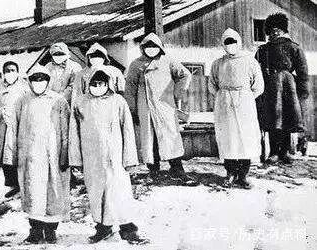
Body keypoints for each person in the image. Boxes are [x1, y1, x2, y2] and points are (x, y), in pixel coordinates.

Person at [70, 68, 143, 244]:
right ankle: (103, 228)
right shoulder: (81, 103)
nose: (97, 87)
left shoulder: (118, 101)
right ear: (88, 84)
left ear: (108, 84)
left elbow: (127, 130)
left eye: (101, 83)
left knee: (119, 193)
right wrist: (76, 160)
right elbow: (74, 133)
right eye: (94, 84)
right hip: (92, 158)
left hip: (114, 157)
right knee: (96, 194)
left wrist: (129, 159)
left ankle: (128, 229)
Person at [4, 65, 70, 244]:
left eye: (42, 79)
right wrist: (12, 156)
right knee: (33, 193)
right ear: (29, 81)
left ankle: (51, 230)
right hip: (30, 156)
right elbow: (13, 129)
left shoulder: (59, 101)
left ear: (48, 81)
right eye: (35, 79)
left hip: (53, 155)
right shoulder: (22, 101)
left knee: (54, 192)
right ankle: (35, 230)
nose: (38, 83)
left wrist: (65, 155)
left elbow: (66, 130)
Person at [125, 33, 198, 186]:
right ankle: (153, 171)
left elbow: (185, 75)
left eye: (154, 46)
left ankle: (177, 169)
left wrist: (176, 93)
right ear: (143, 48)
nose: (151, 49)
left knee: (170, 136)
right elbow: (130, 89)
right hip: (145, 107)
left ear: (159, 47)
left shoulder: (168, 61)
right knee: (150, 139)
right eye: (148, 46)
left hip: (165, 106)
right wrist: (133, 110)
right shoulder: (136, 65)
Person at [209, 29, 264, 189]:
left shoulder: (250, 62)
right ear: (223, 44)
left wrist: (245, 97)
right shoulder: (218, 63)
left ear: (239, 42)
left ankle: (243, 175)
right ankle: (230, 173)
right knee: (229, 139)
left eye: (233, 42)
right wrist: (223, 97)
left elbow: (258, 85)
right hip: (225, 104)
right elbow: (212, 84)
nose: (230, 45)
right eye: (227, 42)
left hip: (245, 104)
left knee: (245, 139)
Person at [255, 13, 309, 164]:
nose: (274, 33)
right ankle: (273, 152)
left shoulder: (293, 48)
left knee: (286, 120)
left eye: (277, 30)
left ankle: (285, 152)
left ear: (283, 30)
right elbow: (254, 69)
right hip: (269, 88)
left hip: (288, 88)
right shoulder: (263, 50)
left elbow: (303, 71)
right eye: (272, 30)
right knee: (272, 120)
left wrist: (302, 91)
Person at [0, 61, 29, 198]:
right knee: (5, 155)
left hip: (19, 123)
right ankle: (12, 184)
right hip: (2, 123)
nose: (10, 73)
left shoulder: (24, 85)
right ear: (3, 73)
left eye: (13, 70)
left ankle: (22, 183)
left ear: (17, 72)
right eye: (7, 70)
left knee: (18, 153)